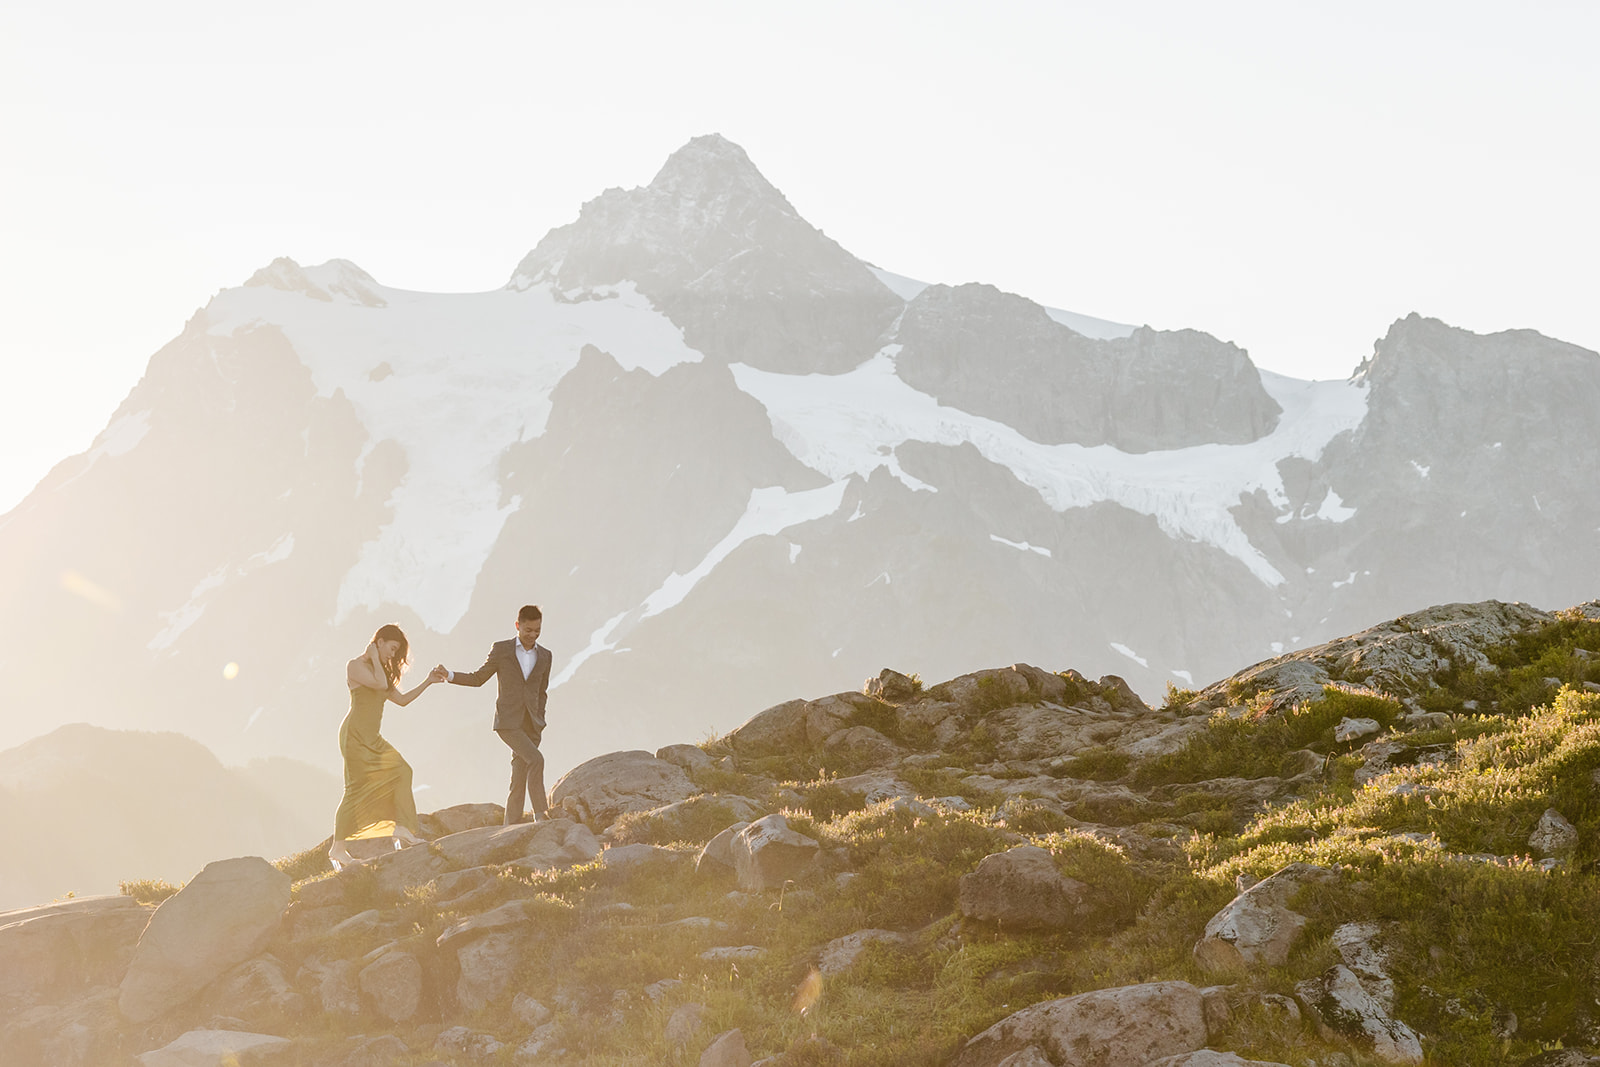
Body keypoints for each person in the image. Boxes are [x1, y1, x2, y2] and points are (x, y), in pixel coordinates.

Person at [328, 624, 445, 871]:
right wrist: (372, 656)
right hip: (355, 736)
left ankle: (402, 830)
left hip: (372, 737)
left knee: (402, 771)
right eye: (391, 649)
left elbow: (401, 700)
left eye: (396, 652)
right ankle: (337, 849)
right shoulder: (355, 666)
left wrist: (428, 682)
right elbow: (380, 685)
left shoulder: (380, 669)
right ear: (378, 642)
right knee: (355, 789)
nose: (392, 656)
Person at [436, 605, 552, 825]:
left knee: (518, 778)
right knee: (536, 760)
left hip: (533, 725)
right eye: (528, 630)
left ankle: (510, 828)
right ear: (517, 626)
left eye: (537, 630)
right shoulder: (501, 650)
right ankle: (540, 815)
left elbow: (542, 691)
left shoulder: (546, 655)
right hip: (508, 723)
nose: (533, 635)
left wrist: (540, 719)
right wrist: (449, 675)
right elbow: (478, 678)